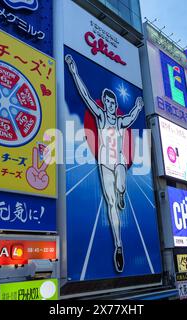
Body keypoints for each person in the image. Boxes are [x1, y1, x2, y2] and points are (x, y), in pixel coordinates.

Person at [66, 54, 144, 273]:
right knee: (111, 205)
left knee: (120, 186)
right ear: (105, 104)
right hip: (104, 163)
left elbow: (132, 115)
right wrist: (74, 72)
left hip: (118, 161)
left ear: (115, 104)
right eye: (107, 101)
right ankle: (118, 246)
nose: (109, 104)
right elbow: (85, 95)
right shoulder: (100, 116)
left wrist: (138, 106)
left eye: (112, 102)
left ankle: (122, 194)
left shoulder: (119, 121)